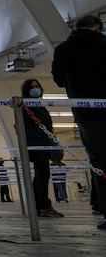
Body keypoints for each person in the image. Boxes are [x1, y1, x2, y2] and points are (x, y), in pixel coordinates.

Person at [51, 13, 106, 229]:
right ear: (97, 26)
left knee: (99, 161)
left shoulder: (63, 49)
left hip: (85, 113)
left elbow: (58, 80)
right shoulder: (103, 44)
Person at [18, 78, 63, 218]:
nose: (36, 89)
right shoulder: (27, 106)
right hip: (37, 146)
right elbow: (20, 126)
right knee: (42, 175)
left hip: (43, 145)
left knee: (40, 176)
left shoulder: (39, 105)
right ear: (27, 90)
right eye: (32, 87)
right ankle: (44, 206)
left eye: (37, 86)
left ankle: (38, 205)